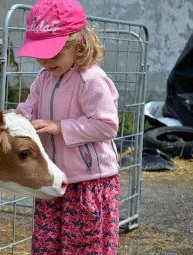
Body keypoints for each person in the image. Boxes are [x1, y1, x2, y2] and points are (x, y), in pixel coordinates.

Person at [16, 0, 120, 254]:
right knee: (47, 246)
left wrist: (59, 126)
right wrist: (18, 118)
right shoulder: (44, 78)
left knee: (84, 247)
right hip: (53, 179)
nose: (45, 60)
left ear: (79, 43)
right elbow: (29, 107)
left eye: (53, 52)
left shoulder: (91, 80)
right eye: (40, 53)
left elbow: (106, 126)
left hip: (88, 182)